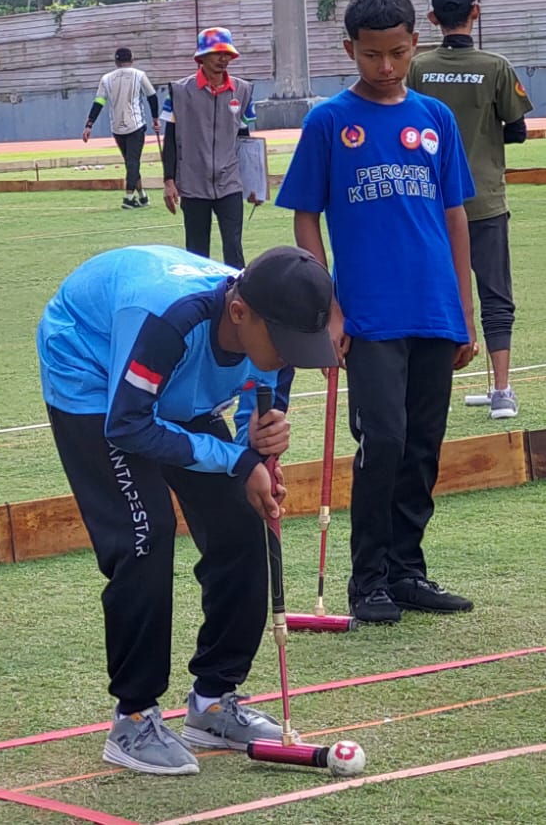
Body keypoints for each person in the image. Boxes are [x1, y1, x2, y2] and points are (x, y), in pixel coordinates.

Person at [37, 244, 338, 775]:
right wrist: (239, 461)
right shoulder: (171, 319)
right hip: (94, 375)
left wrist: (261, 439)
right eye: (286, 343)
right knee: (144, 534)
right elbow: (128, 424)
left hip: (174, 382)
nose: (291, 355)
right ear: (240, 312)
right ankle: (133, 720)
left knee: (245, 523)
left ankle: (213, 703)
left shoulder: (273, 326)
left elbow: (265, 395)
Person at [277, 0, 480, 625]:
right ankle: (368, 582)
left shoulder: (435, 119)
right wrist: (328, 309)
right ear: (350, 51)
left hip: (434, 309)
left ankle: (407, 571)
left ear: (415, 44)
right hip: (367, 316)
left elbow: (455, 220)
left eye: (396, 53)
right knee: (382, 442)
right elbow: (305, 219)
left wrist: (465, 311)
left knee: (422, 446)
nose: (386, 67)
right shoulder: (330, 122)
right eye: (372, 56)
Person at [406, 0, 533, 418]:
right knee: (496, 294)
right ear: (474, 12)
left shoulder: (417, 69)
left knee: (433, 293)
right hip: (485, 200)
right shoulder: (496, 66)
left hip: (430, 202)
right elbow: (517, 130)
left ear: (433, 19)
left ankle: (429, 388)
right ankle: (501, 391)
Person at [161, 27, 260, 268]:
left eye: (227, 54)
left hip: (230, 183)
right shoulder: (178, 92)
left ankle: (239, 299)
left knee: (234, 248)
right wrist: (169, 181)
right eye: (216, 53)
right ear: (201, 57)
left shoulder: (243, 91)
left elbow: (245, 139)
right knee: (196, 252)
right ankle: (200, 300)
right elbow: (171, 139)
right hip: (193, 184)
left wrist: (256, 185)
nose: (223, 59)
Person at [82, 47, 159, 210]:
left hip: (117, 127)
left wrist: (89, 125)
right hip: (136, 124)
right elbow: (152, 95)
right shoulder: (139, 75)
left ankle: (142, 196)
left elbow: (99, 102)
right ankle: (128, 197)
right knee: (133, 162)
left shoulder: (106, 79)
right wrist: (155, 119)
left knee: (130, 162)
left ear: (116, 61)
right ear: (132, 59)